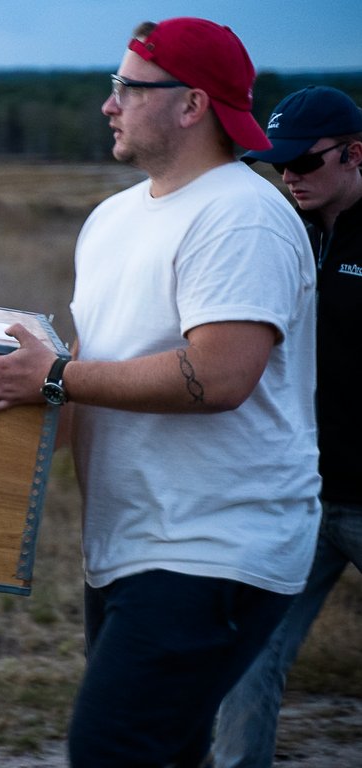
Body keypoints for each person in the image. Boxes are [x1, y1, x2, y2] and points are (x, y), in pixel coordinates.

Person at [0, 18, 321, 767]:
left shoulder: (242, 217)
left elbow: (219, 374)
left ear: (192, 106)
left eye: (127, 88)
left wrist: (52, 375)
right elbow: (90, 366)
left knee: (114, 747)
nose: (108, 104)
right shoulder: (112, 220)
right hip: (130, 542)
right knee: (164, 753)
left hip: (218, 544)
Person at [211, 85, 362, 768]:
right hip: (299, 496)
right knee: (245, 660)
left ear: (354, 153)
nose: (289, 177)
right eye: (278, 166)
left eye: (304, 163)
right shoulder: (281, 232)